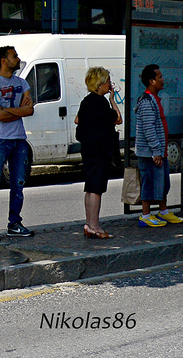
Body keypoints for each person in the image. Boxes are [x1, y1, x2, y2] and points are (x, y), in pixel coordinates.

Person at [0, 46, 35, 241]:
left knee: (18, 184)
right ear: (4, 60)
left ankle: (14, 223)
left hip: (19, 139)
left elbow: (30, 110)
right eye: (14, 56)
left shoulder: (22, 82)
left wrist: (5, 111)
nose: (18, 59)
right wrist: (17, 110)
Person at [75, 66, 122, 238]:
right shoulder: (100, 102)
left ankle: (89, 224)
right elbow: (118, 118)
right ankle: (95, 226)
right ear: (100, 84)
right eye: (108, 81)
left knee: (90, 187)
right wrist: (112, 100)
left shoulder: (86, 101)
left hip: (87, 148)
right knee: (96, 188)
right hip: (99, 149)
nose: (110, 85)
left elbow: (77, 120)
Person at [135, 64, 183, 228]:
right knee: (149, 183)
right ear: (152, 81)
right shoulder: (147, 101)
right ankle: (145, 215)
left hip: (159, 152)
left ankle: (163, 211)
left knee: (162, 183)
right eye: (160, 77)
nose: (163, 79)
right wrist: (156, 151)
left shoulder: (155, 99)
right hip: (150, 153)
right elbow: (148, 129)